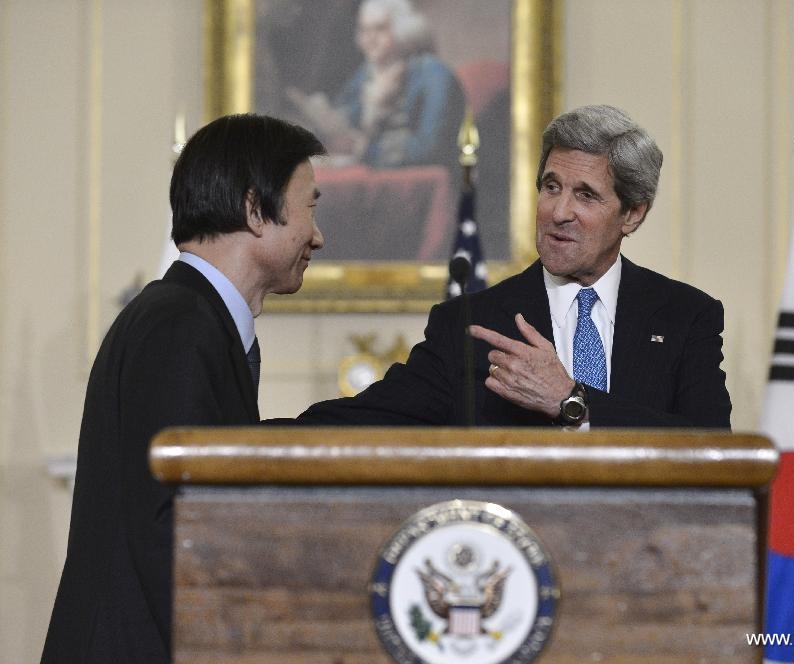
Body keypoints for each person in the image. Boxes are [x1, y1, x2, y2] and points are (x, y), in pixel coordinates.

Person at [41, 114, 326, 663]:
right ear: (253, 209)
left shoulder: (191, 318)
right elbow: (172, 531)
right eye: (310, 207)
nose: (318, 234)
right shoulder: (181, 325)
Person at [298, 104, 731, 429]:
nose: (558, 211)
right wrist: (239, 437)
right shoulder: (470, 323)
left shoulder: (684, 316)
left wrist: (571, 399)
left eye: (585, 195)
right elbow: (368, 417)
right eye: (551, 186)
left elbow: (710, 445)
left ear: (632, 214)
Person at [287, 0, 465, 171]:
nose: (369, 39)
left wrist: (366, 149)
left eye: (380, 29)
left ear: (404, 31)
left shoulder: (433, 73)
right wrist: (327, 118)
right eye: (364, 30)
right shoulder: (366, 73)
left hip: (421, 179)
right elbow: (346, 119)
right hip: (374, 169)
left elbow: (430, 146)